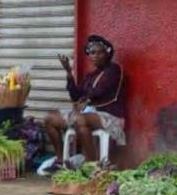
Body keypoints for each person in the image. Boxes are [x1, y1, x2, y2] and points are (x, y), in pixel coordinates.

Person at [45, 35, 126, 167]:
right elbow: (75, 96)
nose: (95, 56)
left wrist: (86, 101)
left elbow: (100, 91)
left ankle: (92, 165)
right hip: (86, 115)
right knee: (49, 118)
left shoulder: (113, 70)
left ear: (108, 53)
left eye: (100, 52)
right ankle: (60, 160)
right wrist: (69, 74)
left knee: (79, 119)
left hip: (110, 117)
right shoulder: (90, 76)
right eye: (92, 53)